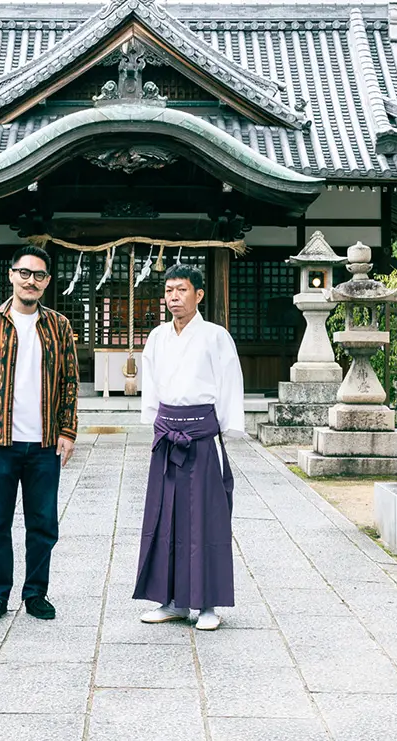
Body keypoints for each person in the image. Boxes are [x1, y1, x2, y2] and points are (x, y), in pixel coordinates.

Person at [0, 245, 79, 622]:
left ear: (47, 283)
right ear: (11, 275)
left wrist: (68, 430)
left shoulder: (59, 326)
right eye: (24, 273)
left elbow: (70, 382)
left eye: (39, 275)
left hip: (45, 443)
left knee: (43, 523)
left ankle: (36, 593)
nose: (31, 280)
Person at [134, 263, 243, 631]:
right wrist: (154, 423)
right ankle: (173, 602)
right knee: (166, 517)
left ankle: (208, 604)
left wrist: (225, 428)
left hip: (201, 436)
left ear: (198, 294)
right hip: (167, 435)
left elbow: (229, 384)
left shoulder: (215, 336)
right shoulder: (157, 337)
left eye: (181, 290)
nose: (174, 297)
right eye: (168, 291)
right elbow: (151, 386)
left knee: (206, 518)